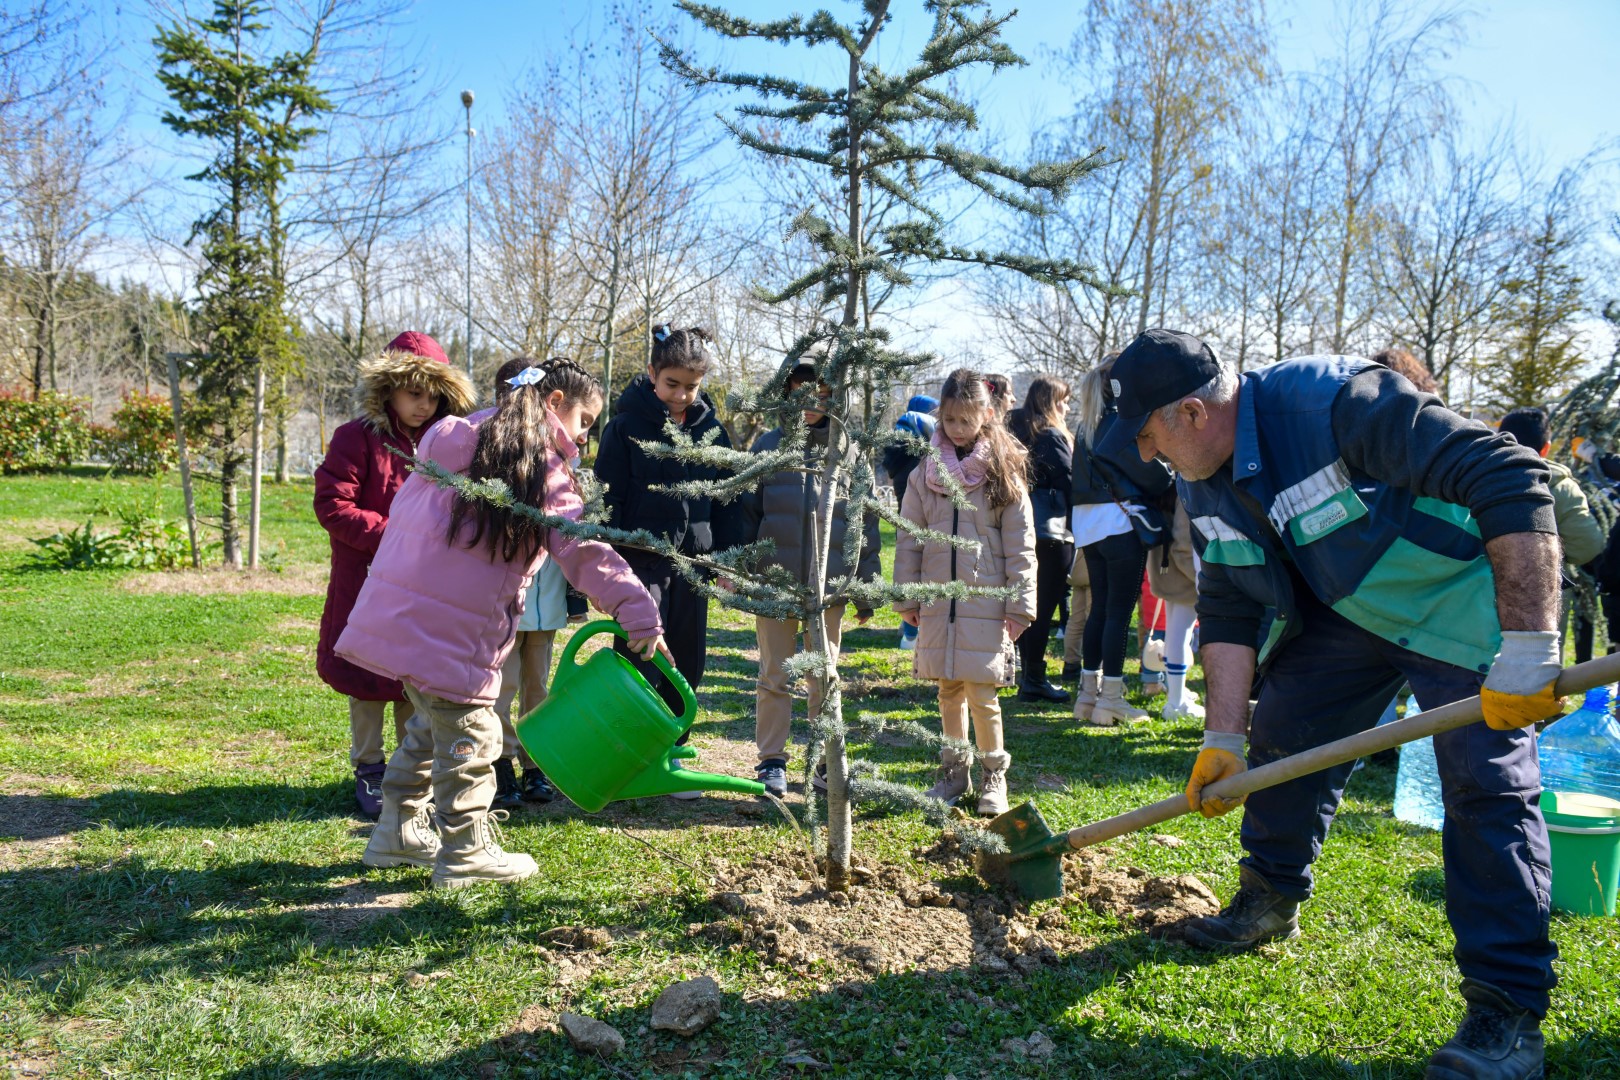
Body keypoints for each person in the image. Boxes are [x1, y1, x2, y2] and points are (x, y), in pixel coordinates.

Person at [1103, 328, 1564, 1080]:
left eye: (1148, 433)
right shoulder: (1199, 474)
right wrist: (1223, 733)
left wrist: (1528, 649)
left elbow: (1509, 473)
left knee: (1487, 787)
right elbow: (1224, 602)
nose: (1146, 452)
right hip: (1351, 610)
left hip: (1454, 601)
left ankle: (1505, 1010)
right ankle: (1268, 898)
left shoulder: (1334, 401)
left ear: (1191, 411)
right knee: (1284, 736)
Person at [338, 358, 667, 889]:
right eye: (585, 420)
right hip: (455, 630)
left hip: (401, 617)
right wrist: (637, 611)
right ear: (554, 403)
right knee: (473, 731)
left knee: (429, 723)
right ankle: (466, 849)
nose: (585, 436)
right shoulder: (538, 464)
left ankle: (396, 831)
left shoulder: (455, 435)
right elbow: (580, 548)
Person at [313, 330, 476, 818]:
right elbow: (333, 504)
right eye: (413, 393)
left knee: (413, 675)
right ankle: (368, 766)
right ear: (388, 389)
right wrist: (397, 536)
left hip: (424, 583)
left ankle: (410, 769)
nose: (423, 405)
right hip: (365, 578)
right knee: (364, 677)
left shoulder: (448, 444)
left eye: (433, 395)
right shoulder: (355, 438)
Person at [595, 324, 742, 798]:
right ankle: (631, 750)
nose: (680, 395)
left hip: (693, 562)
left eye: (691, 387)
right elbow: (607, 497)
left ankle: (674, 746)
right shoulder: (624, 427)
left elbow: (728, 497)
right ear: (652, 374)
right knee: (640, 652)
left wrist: (725, 559)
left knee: (687, 654)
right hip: (640, 560)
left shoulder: (712, 430)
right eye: (671, 384)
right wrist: (605, 566)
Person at [893, 367, 1036, 817]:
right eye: (949, 420)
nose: (956, 429)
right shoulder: (925, 472)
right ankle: (954, 770)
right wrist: (908, 596)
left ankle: (995, 774)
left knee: (983, 693)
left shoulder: (1003, 471)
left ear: (986, 415)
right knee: (948, 690)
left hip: (987, 602)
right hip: (939, 601)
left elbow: (1020, 543)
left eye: (965, 420)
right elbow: (909, 537)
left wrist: (1021, 604)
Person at [742, 363, 882, 798]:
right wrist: (745, 572)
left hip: (830, 589)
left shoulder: (850, 454)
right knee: (774, 673)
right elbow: (746, 516)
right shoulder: (768, 447)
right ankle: (771, 761)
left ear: (834, 397)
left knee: (824, 674)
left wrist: (865, 586)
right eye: (799, 393)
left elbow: (867, 522)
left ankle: (825, 761)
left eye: (819, 394)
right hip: (776, 584)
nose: (809, 404)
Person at [1070, 354, 1174, 726]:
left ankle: (1088, 695)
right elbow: (1151, 475)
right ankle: (1111, 697)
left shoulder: (1086, 425)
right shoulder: (1117, 423)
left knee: (1100, 609)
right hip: (1119, 524)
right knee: (1117, 612)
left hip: (1089, 526)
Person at [483, 357, 566, 808]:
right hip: (506, 598)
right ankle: (500, 763)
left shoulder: (558, 454)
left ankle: (535, 765)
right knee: (504, 685)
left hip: (547, 597)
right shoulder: (492, 453)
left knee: (539, 686)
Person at [1498, 407, 1605, 664]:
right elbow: (1588, 546)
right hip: (1542, 590)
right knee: (1537, 665)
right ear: (1546, 448)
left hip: (1472, 585)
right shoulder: (1560, 486)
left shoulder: (1466, 474)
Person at [1006, 375, 1075, 703]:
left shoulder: (1015, 434)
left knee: (1021, 603)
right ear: (1051, 401)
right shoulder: (1050, 436)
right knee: (1042, 609)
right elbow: (1069, 483)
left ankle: (1021, 671)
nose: (1067, 406)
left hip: (1017, 529)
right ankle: (1034, 678)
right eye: (1064, 399)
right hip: (1051, 534)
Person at [883, 394, 938, 650]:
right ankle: (912, 634)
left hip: (903, 522)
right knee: (919, 575)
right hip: (921, 523)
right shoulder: (920, 457)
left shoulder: (899, 453)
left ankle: (909, 631)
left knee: (908, 572)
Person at [1147, 500, 1203, 721]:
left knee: (1176, 636)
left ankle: (1176, 695)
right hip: (1184, 576)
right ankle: (1176, 703)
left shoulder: (1178, 487)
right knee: (1180, 637)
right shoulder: (1186, 490)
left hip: (1172, 571)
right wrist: (1204, 581)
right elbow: (1183, 543)